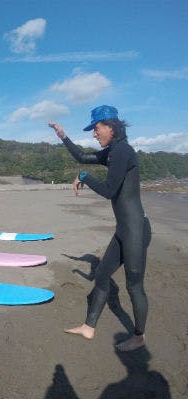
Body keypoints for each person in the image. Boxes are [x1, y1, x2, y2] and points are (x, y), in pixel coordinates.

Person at [49, 105, 151, 352]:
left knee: (134, 286)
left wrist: (84, 176)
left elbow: (109, 191)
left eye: (96, 129)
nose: (94, 134)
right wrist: (63, 136)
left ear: (111, 127)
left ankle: (139, 337)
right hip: (124, 229)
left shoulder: (122, 152)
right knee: (102, 276)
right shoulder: (114, 151)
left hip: (136, 230)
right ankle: (88, 327)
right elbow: (82, 157)